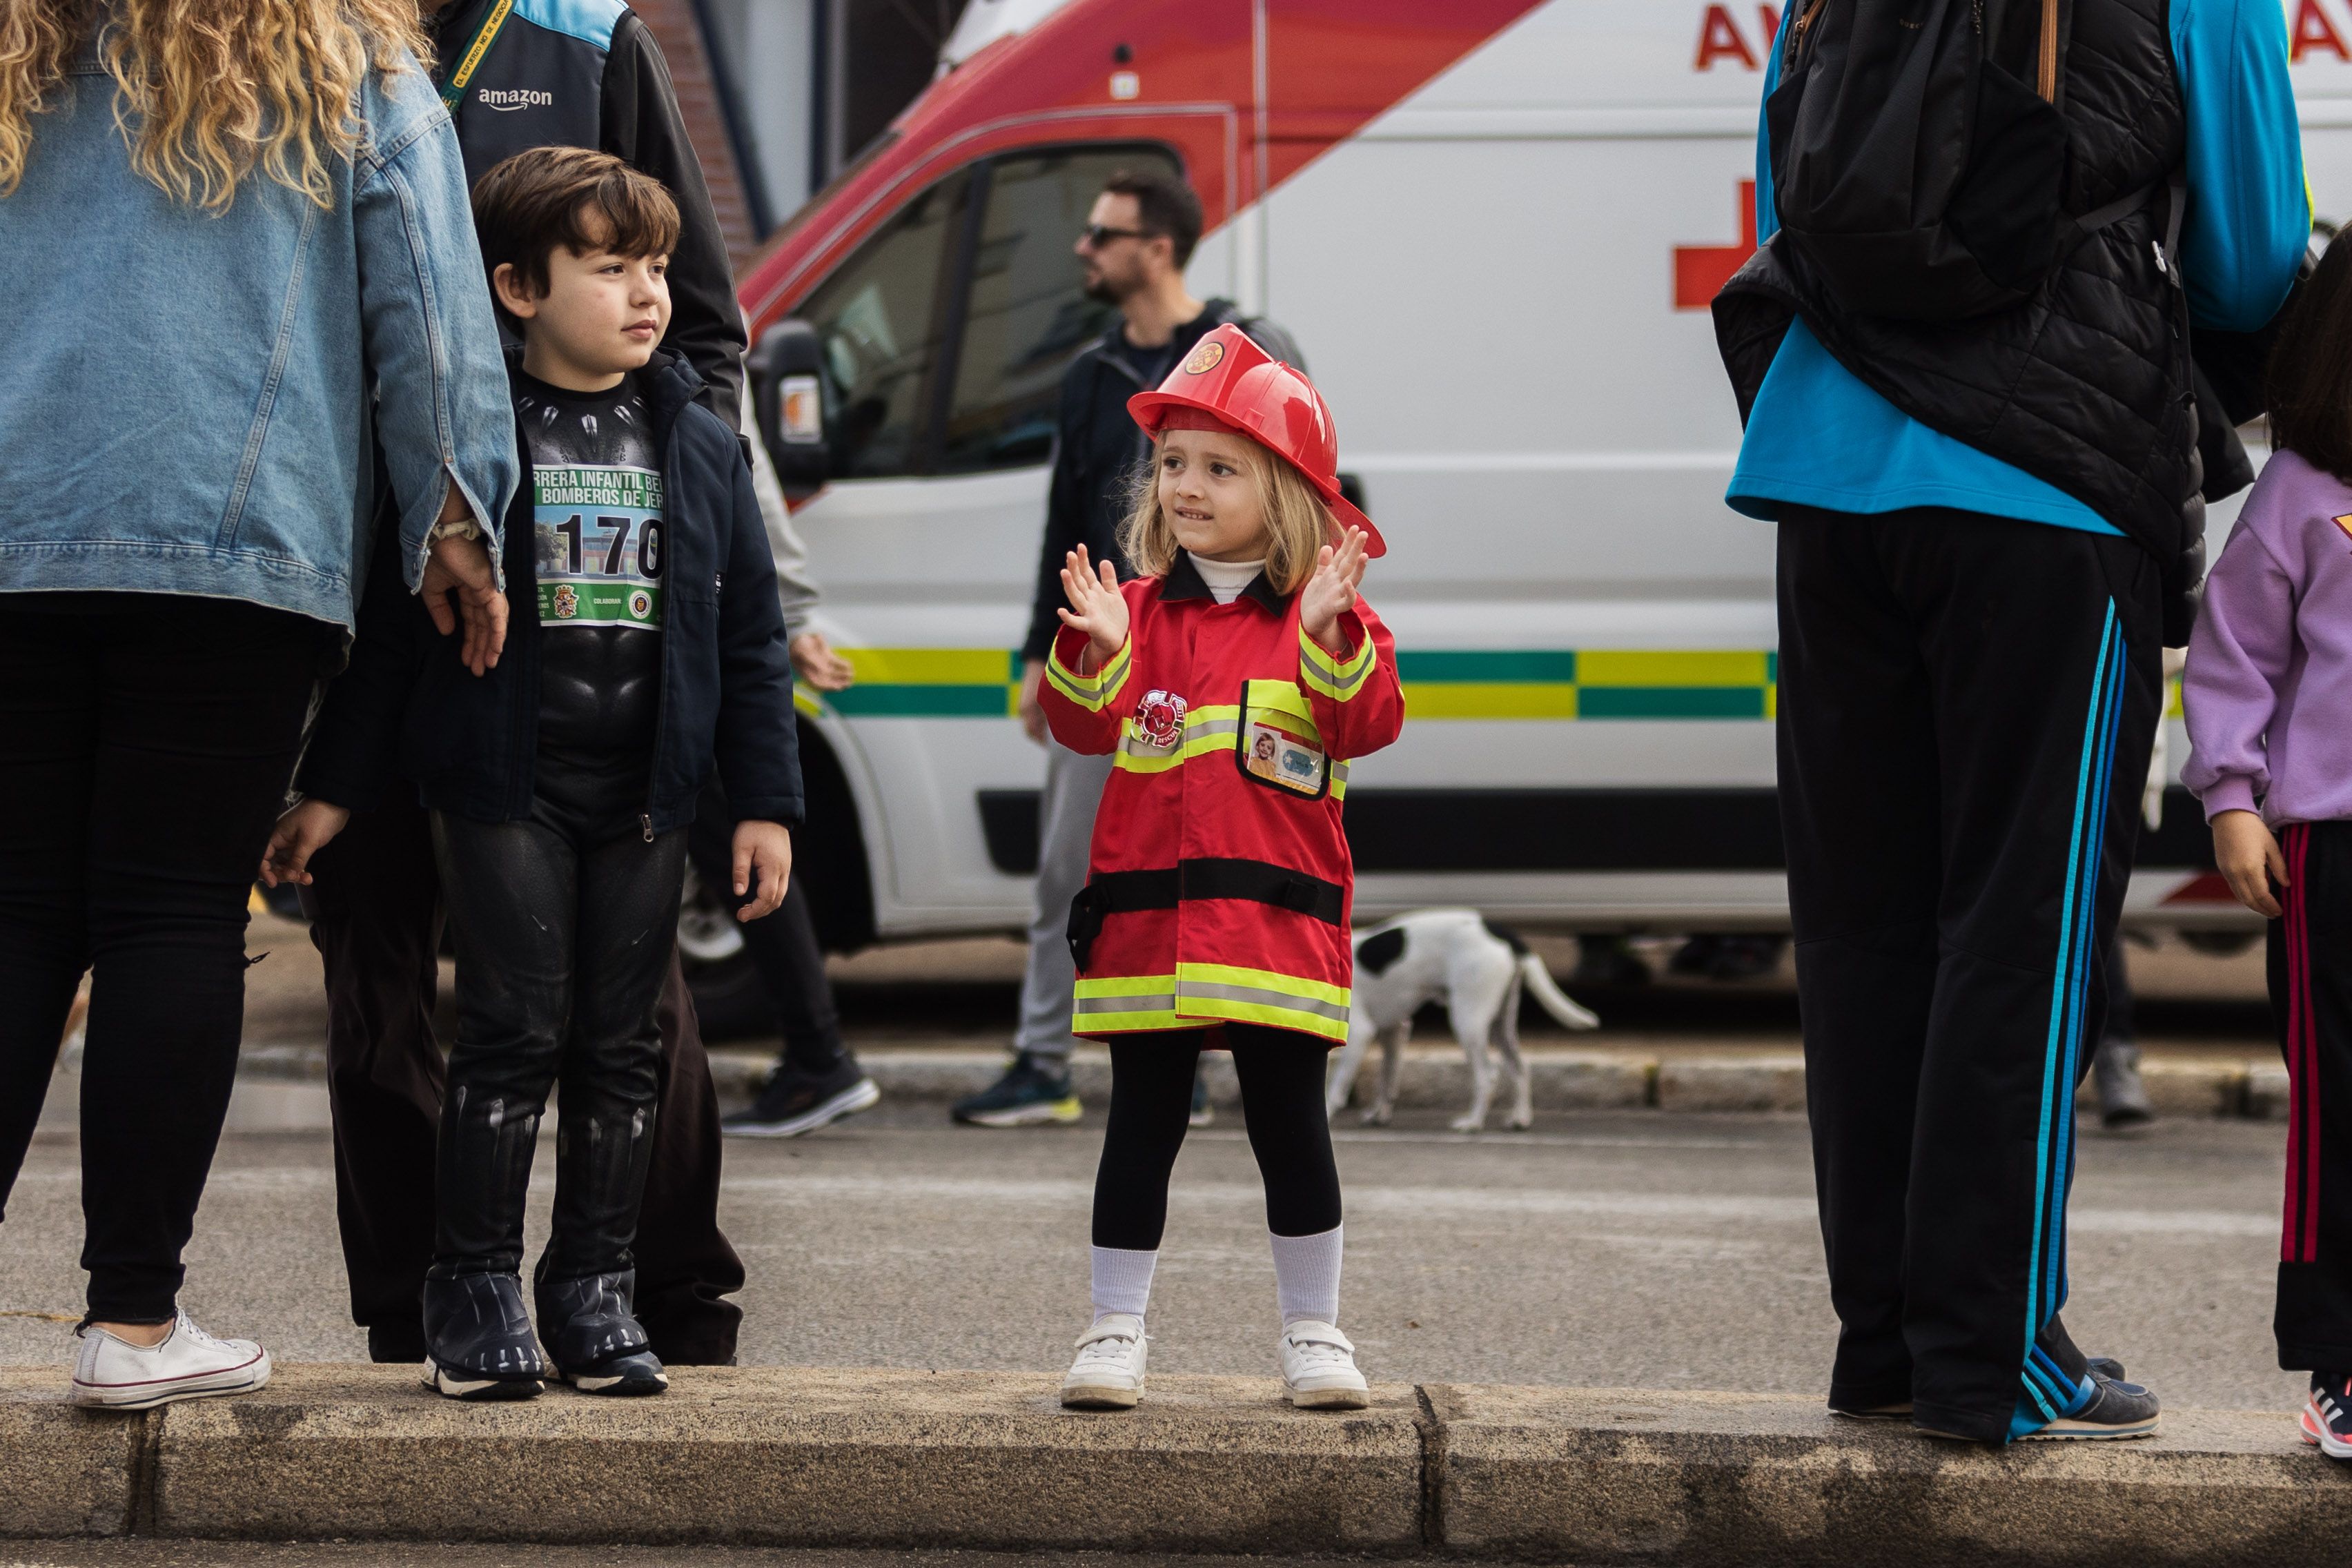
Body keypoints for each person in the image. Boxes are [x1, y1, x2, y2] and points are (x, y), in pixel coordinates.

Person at [1712, 0, 2306, 1442]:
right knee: (2021, 932)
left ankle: (1891, 1343)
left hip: (1826, 468)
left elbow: (1798, 186)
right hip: (2044, 485)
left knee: (1863, 927)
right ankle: (1994, 1353)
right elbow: (2253, 259)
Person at [0, 0, 516, 1407]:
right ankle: (133, 1321)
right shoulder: (341, 61)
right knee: (169, 908)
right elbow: (427, 294)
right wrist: (455, 517)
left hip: (15, 539)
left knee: (22, 910)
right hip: (234, 551)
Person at [265, 148, 800, 1400]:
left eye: (656, 266)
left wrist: (764, 804)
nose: (645, 292)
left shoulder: (703, 445)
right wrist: (333, 788)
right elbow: (398, 637)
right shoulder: (474, 444)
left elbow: (750, 642)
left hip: (647, 795)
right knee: (510, 1032)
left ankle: (593, 1284)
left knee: (624, 1047)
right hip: (505, 785)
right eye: (608, 268)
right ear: (513, 286)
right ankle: (474, 1283)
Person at [1038, 324, 1404, 1411]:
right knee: (1139, 1126)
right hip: (1151, 930)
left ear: (1286, 490)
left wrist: (1335, 640)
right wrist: (1091, 650)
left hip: (1274, 936)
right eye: (1173, 465)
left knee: (1289, 1128)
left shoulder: (1327, 616)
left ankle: (1315, 1334)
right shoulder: (1137, 612)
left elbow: (1369, 723)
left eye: (1220, 466)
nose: (1187, 487)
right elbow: (1082, 731)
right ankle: (1114, 1330)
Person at [954, 168, 1303, 1128]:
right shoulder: (1090, 371)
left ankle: (1186, 1062)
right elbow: (1064, 520)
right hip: (1112, 644)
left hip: (1224, 647)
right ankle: (1041, 1061)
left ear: (1157, 247)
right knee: (1070, 863)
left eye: (1102, 235)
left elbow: (1304, 486)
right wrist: (1043, 648)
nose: (1083, 250)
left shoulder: (1250, 347)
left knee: (1204, 857)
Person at [2182, 231, 2352, 1460]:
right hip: (2330, 861)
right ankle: (2342, 1362)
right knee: (2340, 1113)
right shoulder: (2301, 488)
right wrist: (2231, 798)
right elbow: (2233, 656)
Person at [716, 433, 879, 1138]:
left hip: (703, 637)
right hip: (692, 633)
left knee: (736, 849)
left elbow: (742, 469)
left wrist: (797, 615)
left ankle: (818, 1054)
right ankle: (817, 1054)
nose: (646, 310)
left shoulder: (693, 332)